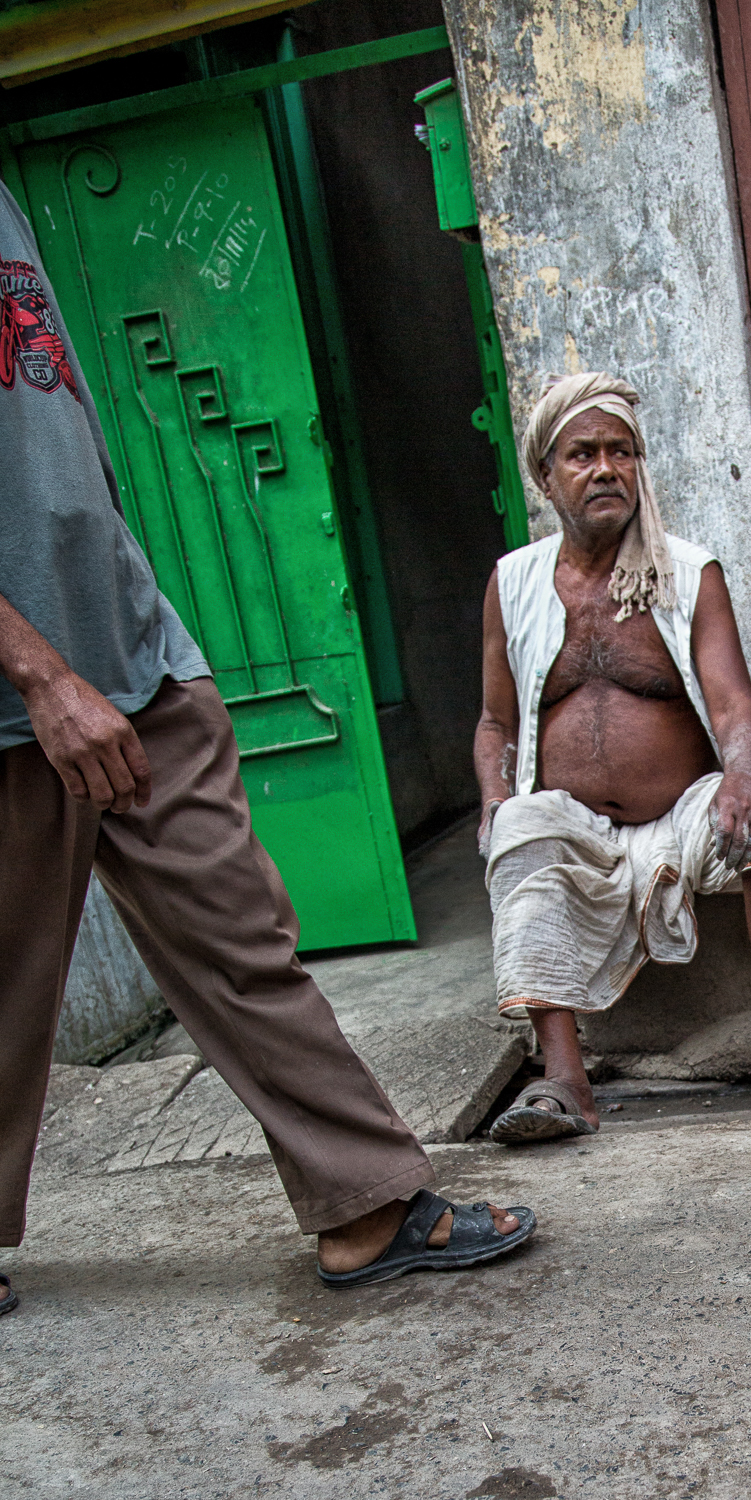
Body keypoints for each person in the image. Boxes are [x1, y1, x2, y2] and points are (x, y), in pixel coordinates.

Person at [0, 180, 534, 1312]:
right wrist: (40, 674)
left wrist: (150, 633)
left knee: (243, 940)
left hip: (134, 664)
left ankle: (365, 1205)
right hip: (21, 698)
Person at [477, 372, 751, 1141]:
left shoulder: (687, 572)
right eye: (582, 454)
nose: (606, 468)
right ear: (545, 475)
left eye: (622, 451)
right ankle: (564, 1084)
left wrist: (744, 777)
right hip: (572, 823)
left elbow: (734, 705)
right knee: (518, 829)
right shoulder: (513, 583)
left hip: (684, 813)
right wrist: (493, 802)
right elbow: (494, 722)